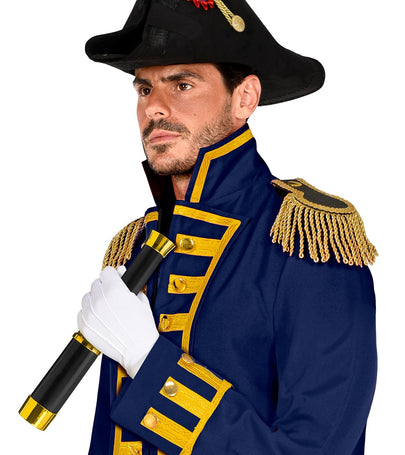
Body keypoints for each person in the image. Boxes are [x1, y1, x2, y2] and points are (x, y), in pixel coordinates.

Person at [77, 1, 377, 454]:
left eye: (182, 84)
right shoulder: (137, 245)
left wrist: (148, 361)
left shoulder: (307, 242)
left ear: (244, 98)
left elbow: (315, 448)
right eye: (144, 88)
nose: (154, 107)